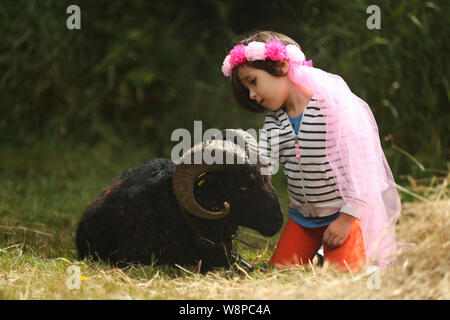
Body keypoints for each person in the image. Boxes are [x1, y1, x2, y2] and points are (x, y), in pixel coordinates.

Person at [221, 30, 404, 272]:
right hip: (302, 220)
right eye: (247, 91)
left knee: (340, 276)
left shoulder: (330, 107)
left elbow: (362, 166)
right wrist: (232, 158)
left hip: (339, 217)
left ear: (282, 65)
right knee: (279, 272)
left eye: (253, 82)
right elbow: (263, 161)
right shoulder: (275, 120)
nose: (253, 95)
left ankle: (326, 254)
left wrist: (348, 217)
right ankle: (317, 254)